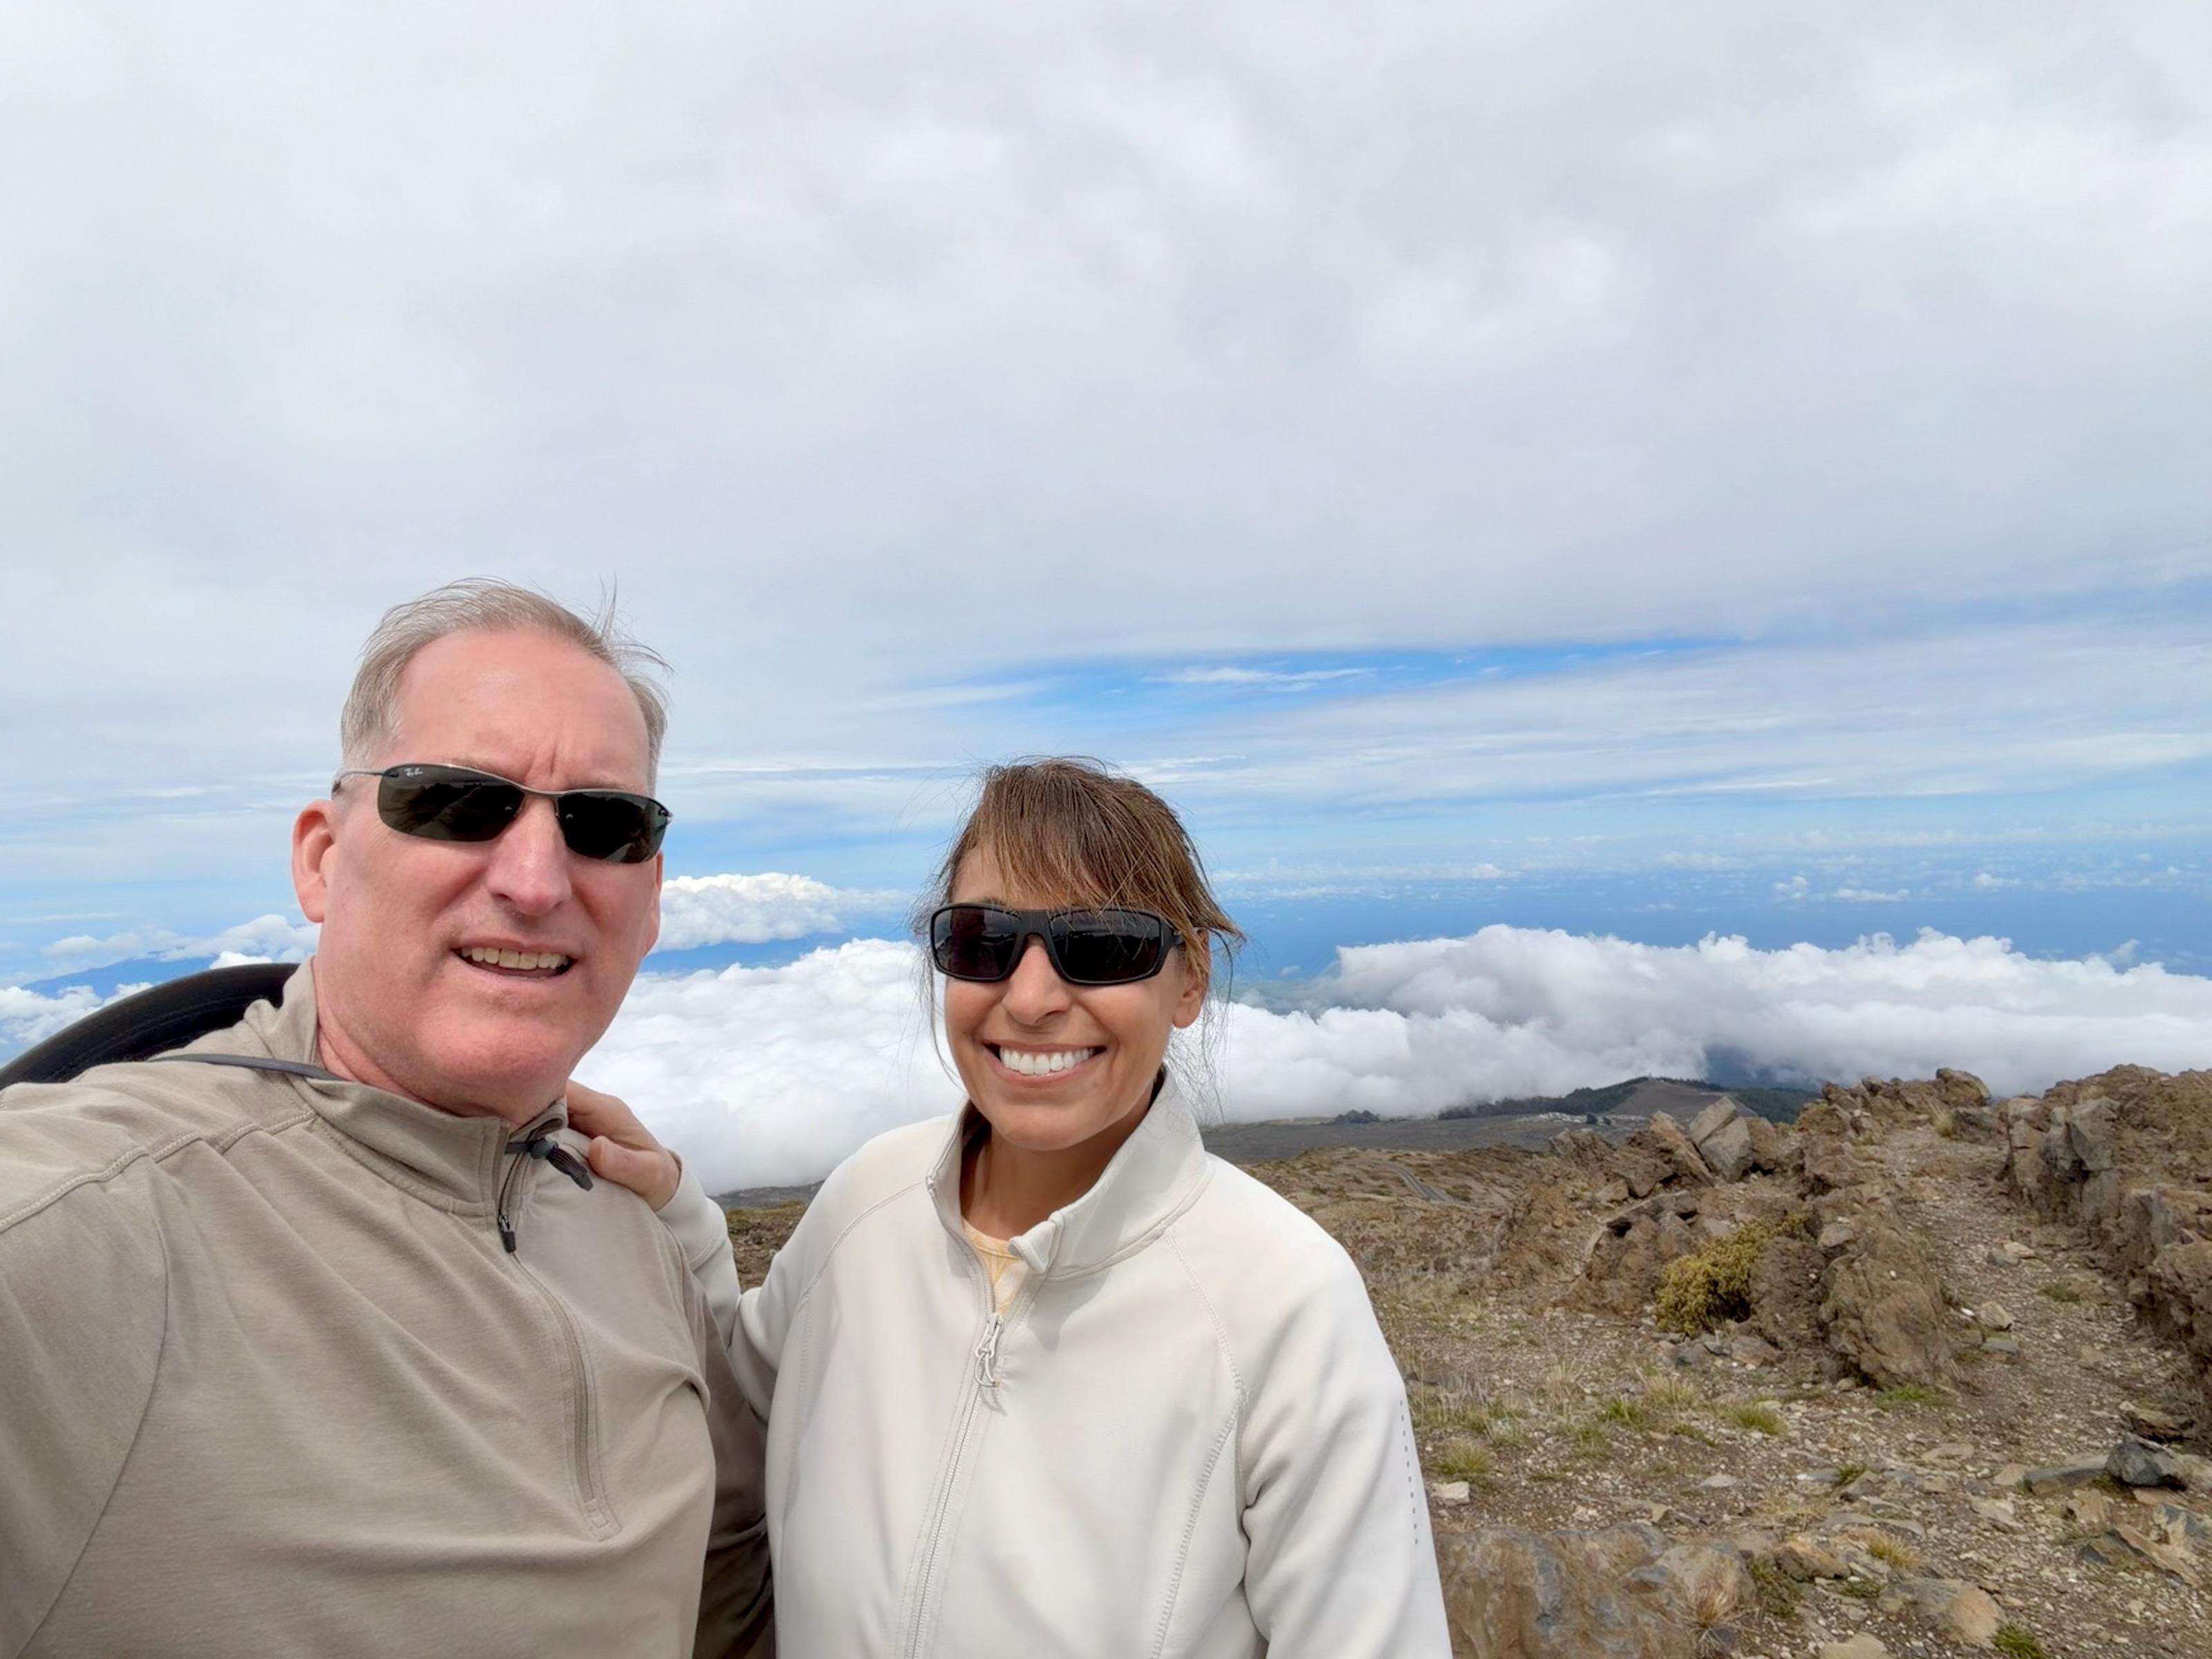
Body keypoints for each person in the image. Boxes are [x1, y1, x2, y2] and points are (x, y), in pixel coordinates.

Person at [0, 581, 770, 1659]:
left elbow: (733, 1586)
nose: (538, 879)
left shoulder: (628, 1231)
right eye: (458, 801)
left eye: (604, 824)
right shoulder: (85, 1228)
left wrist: (685, 1226)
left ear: (650, 906)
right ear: (322, 858)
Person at [592, 757, 1451, 1657]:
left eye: (1104, 945)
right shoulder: (865, 1205)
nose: (1032, 998)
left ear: (1189, 979)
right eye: (982, 941)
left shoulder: (1287, 1308)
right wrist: (682, 1224)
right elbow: (734, 1433)